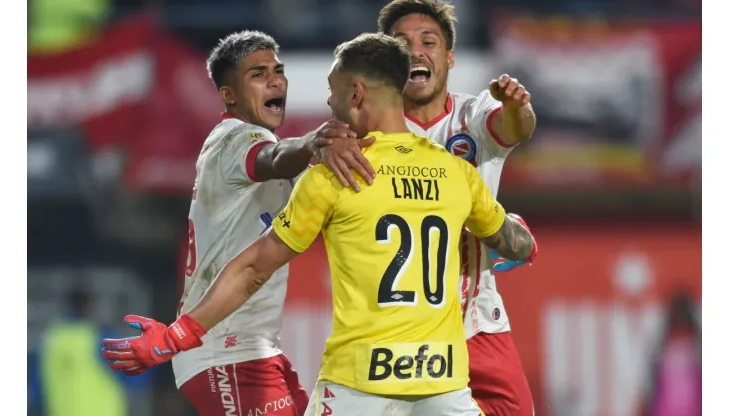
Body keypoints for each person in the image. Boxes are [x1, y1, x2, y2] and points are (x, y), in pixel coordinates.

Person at [101, 33, 537, 415]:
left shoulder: (337, 173)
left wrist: (177, 334)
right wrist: (516, 237)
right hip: (442, 384)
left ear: (357, 94)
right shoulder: (457, 173)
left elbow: (254, 268)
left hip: (359, 381)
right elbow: (513, 242)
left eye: (333, 91)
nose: (328, 102)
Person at [103, 30, 374, 416]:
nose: (276, 80)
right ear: (228, 95)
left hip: (254, 349)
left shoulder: (258, 148)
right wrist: (313, 140)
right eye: (258, 74)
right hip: (223, 348)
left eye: (278, 71)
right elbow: (276, 156)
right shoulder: (234, 139)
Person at [377, 1, 537, 414]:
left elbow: (514, 127)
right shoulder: (371, 133)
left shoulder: (475, 114)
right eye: (401, 43)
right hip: (403, 330)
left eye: (428, 41)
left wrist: (517, 107)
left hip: (478, 320)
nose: (416, 51)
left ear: (449, 57)